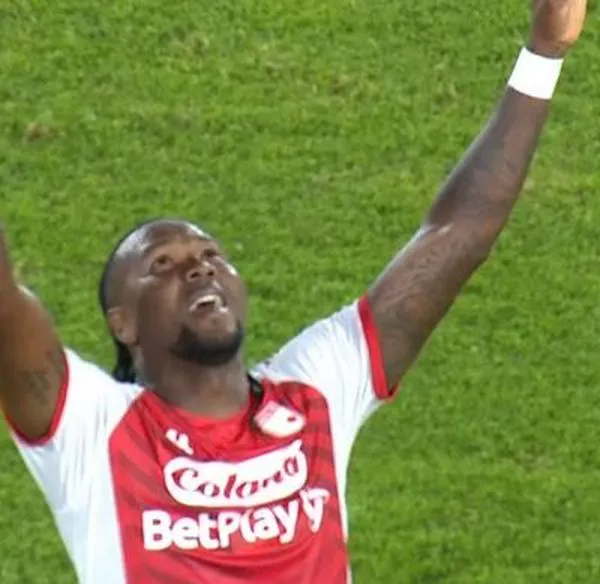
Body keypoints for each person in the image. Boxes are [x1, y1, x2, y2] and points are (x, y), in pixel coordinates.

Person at [0, 1, 588, 583]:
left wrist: (544, 53)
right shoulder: (92, 431)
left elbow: (458, 235)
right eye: (162, 265)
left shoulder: (314, 394)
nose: (200, 269)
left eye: (211, 257)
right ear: (122, 323)